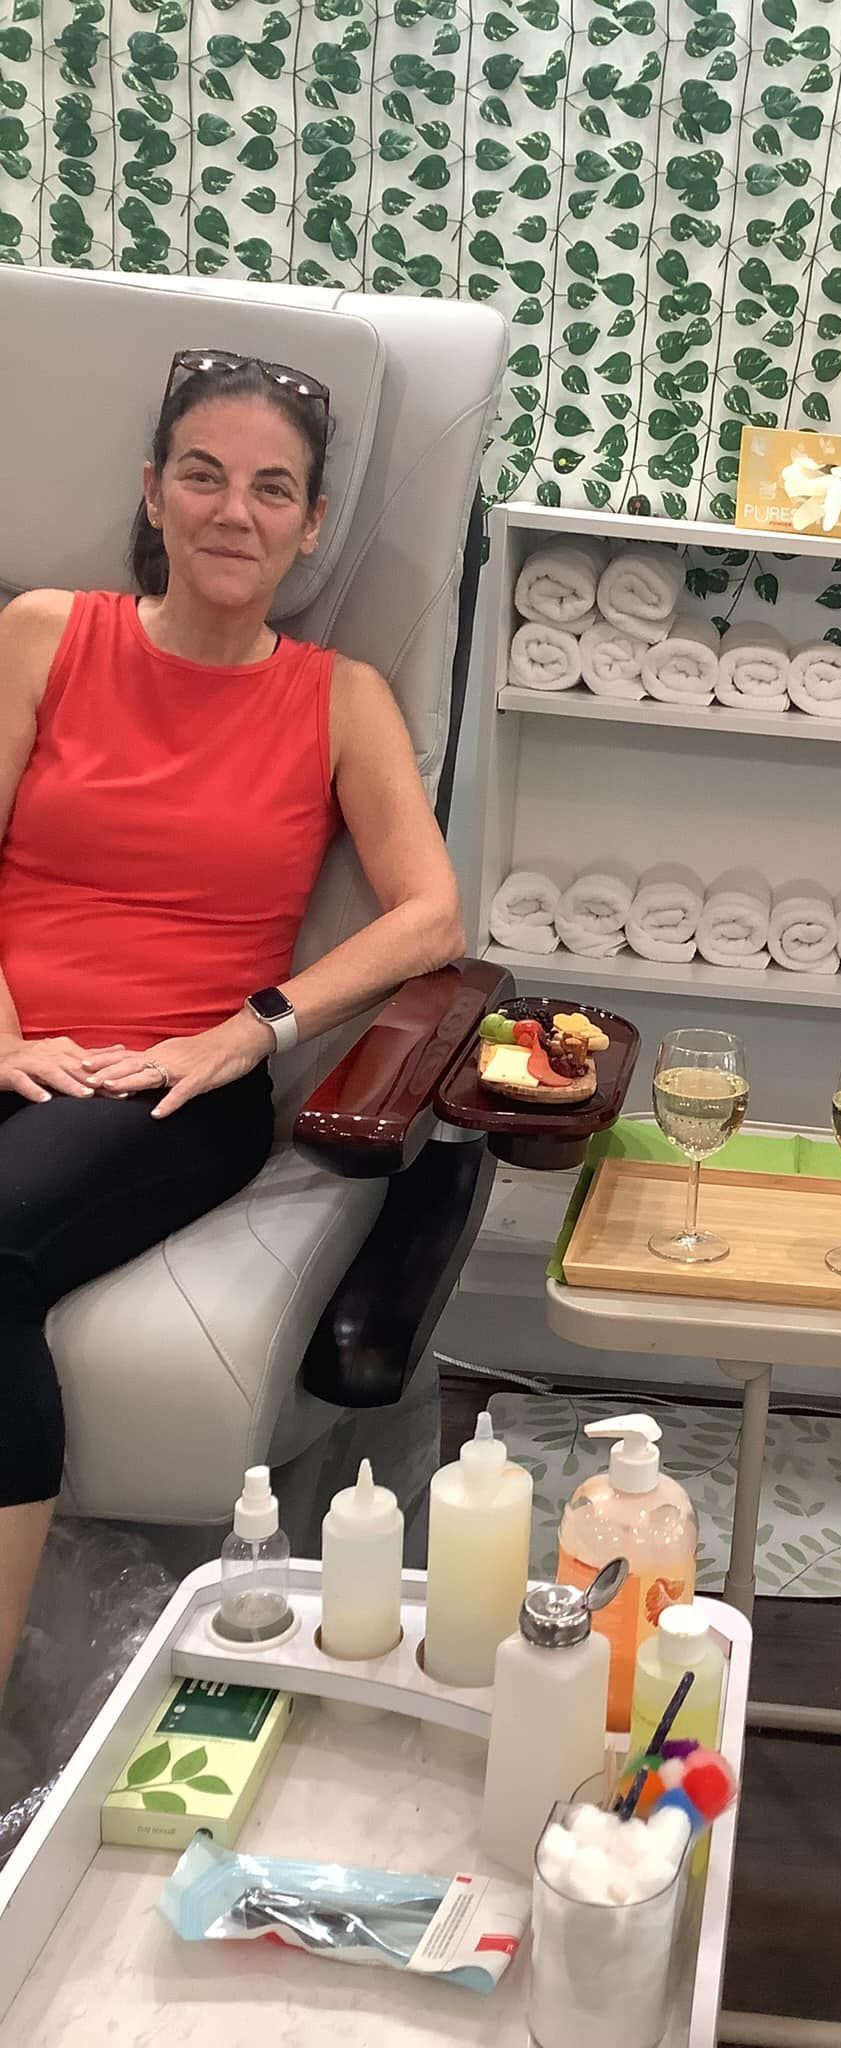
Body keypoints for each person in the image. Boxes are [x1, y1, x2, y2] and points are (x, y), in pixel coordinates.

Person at [0, 349, 464, 1693]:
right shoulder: (44, 632)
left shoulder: (338, 697)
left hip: (166, 1086)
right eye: (202, 476)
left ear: (311, 526)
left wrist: (253, 1028)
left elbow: (431, 914)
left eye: (272, 490)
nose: (233, 511)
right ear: (153, 492)